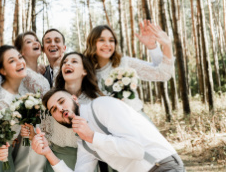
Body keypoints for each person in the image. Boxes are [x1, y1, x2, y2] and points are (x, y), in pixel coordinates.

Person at [33, 88, 184, 172]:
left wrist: (93, 137)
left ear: (74, 99)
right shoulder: (83, 141)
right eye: (54, 110)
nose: (60, 108)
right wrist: (48, 153)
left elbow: (137, 149)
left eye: (61, 101)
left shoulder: (102, 105)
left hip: (161, 166)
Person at [0, 45, 49, 172]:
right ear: (3, 71)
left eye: (20, 57)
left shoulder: (23, 88)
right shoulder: (2, 101)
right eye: (12, 61)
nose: (20, 62)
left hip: (24, 152)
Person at [83, 21, 174, 116]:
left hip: (135, 121)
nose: (107, 44)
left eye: (111, 40)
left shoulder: (125, 63)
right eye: (101, 40)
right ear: (92, 43)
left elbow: (162, 74)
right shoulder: (85, 72)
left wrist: (159, 46)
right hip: (105, 127)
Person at [40, 52, 103, 172]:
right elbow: (45, 131)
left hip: (89, 159)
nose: (68, 64)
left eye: (74, 61)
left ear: (85, 70)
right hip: (58, 158)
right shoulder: (54, 97)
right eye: (65, 62)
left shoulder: (95, 99)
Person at [13, 31, 51, 172]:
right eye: (29, 42)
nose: (36, 43)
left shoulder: (41, 72)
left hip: (44, 129)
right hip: (30, 129)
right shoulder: (21, 72)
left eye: (36, 40)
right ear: (20, 52)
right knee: (29, 166)